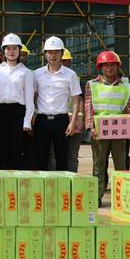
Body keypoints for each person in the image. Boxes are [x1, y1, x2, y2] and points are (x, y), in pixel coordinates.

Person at [84, 50, 130, 207]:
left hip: (119, 131)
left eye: (112, 65)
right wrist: (90, 126)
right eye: (105, 65)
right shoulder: (92, 85)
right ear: (100, 67)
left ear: (117, 67)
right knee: (99, 164)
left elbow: (128, 107)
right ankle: (97, 196)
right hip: (99, 130)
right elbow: (88, 107)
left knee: (121, 165)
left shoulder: (125, 85)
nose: (109, 68)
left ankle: (123, 197)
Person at [32, 37, 81, 171]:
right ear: (45, 54)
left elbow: (76, 100)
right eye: (50, 52)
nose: (53, 56)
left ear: (61, 53)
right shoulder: (37, 74)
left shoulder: (70, 75)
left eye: (56, 52)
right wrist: (31, 117)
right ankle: (42, 184)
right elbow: (33, 97)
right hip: (42, 120)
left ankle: (62, 184)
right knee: (41, 157)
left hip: (61, 121)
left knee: (62, 157)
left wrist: (73, 122)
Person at [0, 33, 34, 169]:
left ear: (19, 50)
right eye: (8, 48)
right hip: (0, 113)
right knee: (2, 150)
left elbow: (29, 99)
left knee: (16, 150)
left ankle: (16, 181)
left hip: (18, 114)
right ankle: (4, 180)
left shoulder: (26, 72)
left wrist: (27, 121)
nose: (11, 52)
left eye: (15, 48)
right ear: (3, 51)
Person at [46, 48, 84, 172]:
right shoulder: (46, 76)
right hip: (58, 119)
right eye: (63, 61)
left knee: (72, 155)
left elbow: (79, 99)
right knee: (54, 155)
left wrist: (78, 119)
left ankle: (71, 178)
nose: (64, 63)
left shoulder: (73, 76)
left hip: (73, 120)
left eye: (67, 61)